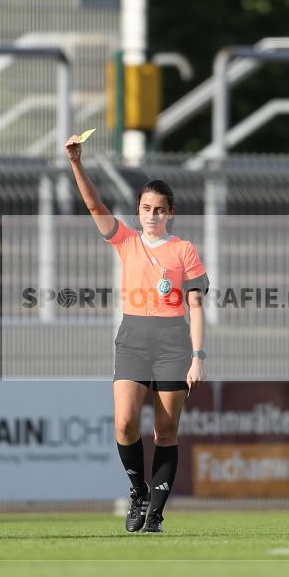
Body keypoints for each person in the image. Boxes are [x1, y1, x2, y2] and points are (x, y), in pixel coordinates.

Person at [64, 135, 208, 533]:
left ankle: (156, 515)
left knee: (165, 430)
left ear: (171, 213)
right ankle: (137, 493)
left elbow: (195, 305)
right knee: (125, 423)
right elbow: (93, 205)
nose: (152, 216)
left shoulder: (184, 251)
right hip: (132, 337)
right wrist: (77, 162)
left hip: (172, 344)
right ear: (139, 211)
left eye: (160, 210)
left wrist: (198, 357)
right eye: (146, 209)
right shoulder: (126, 241)